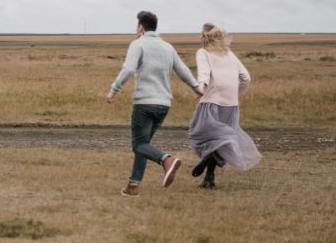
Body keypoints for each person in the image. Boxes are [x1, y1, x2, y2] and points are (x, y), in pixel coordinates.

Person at [107, 11, 201, 197]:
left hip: (144, 104)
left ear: (141, 27)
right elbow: (182, 69)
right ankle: (133, 186)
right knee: (145, 145)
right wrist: (196, 87)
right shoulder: (167, 47)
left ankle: (167, 159)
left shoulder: (138, 44)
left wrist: (113, 90)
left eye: (137, 25)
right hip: (163, 105)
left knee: (138, 145)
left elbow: (128, 69)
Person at [188, 23, 261, 188]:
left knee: (198, 135)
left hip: (210, 100)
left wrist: (200, 91)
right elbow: (246, 78)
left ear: (205, 37)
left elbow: (204, 76)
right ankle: (209, 178)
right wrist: (235, 94)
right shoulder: (229, 54)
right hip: (231, 104)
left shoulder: (203, 52)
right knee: (221, 138)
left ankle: (207, 158)